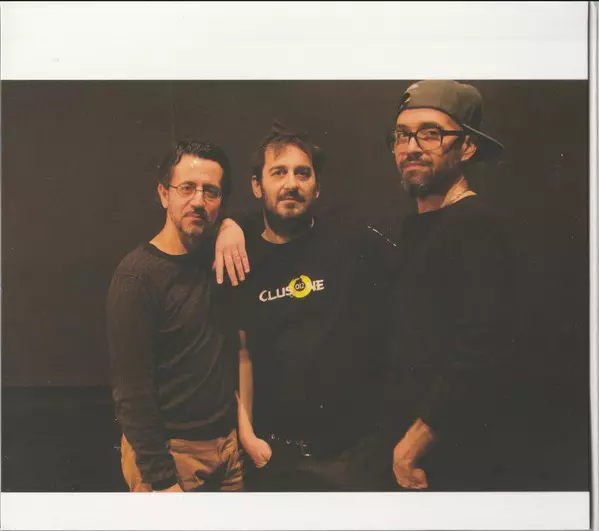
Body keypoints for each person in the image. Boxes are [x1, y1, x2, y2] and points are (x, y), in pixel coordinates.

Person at [223, 126, 398, 491]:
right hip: (274, 457)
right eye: (278, 172)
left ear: (317, 187)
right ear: (257, 186)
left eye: (302, 173)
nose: (291, 183)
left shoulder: (351, 243)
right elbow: (240, 355)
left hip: (348, 459)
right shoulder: (240, 259)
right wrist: (249, 439)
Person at [387, 80, 519, 490]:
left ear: (467, 147)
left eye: (430, 133)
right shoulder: (418, 227)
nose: (411, 147)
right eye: (402, 135)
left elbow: (481, 350)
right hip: (415, 447)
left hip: (455, 455)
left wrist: (413, 445)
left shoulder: (476, 223)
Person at [106, 140, 243, 492]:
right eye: (187, 188)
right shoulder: (137, 276)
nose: (198, 201)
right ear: (163, 194)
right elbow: (131, 393)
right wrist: (163, 481)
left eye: (211, 191)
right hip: (170, 455)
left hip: (228, 450)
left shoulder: (219, 257)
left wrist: (231, 226)